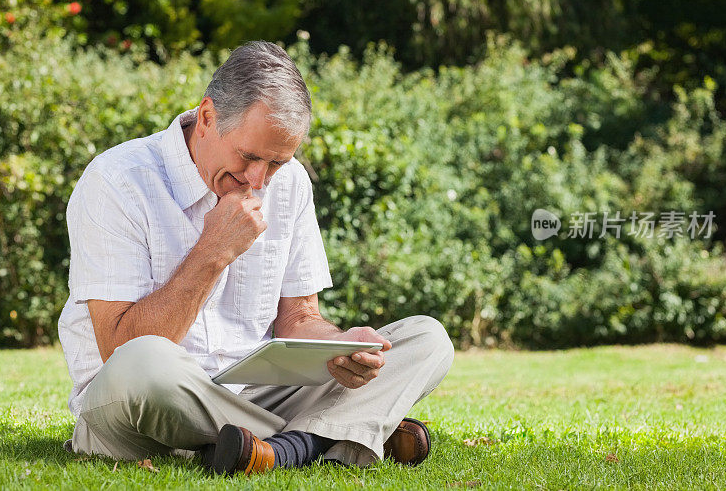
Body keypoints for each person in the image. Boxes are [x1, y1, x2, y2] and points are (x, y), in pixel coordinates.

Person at [58, 40, 454, 475]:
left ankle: (265, 449)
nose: (258, 180)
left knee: (427, 339)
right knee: (144, 362)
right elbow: (120, 347)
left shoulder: (292, 184)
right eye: (248, 157)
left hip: (256, 391)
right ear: (208, 117)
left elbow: (299, 319)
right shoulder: (117, 180)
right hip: (141, 401)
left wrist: (340, 346)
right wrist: (212, 251)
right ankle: (330, 435)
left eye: (276, 164)